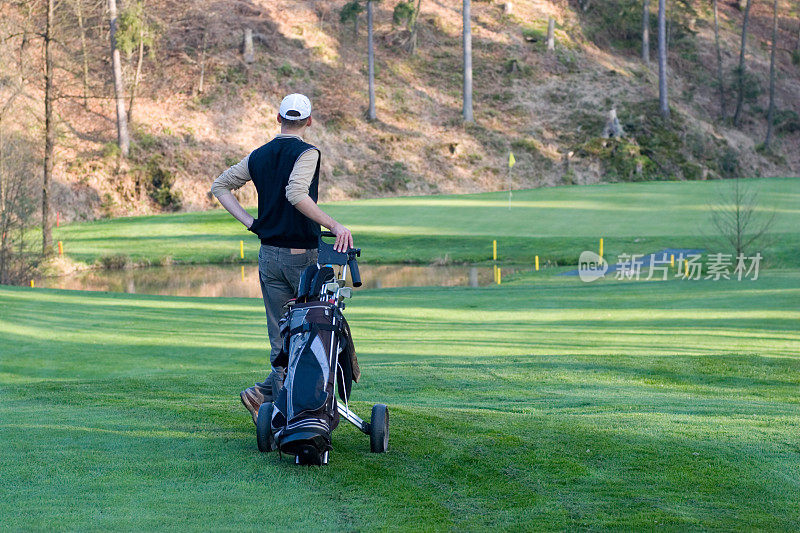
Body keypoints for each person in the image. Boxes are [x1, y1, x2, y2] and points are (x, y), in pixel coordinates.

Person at [210, 93, 353, 424]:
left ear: (278, 118)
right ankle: (305, 415)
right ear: (309, 121)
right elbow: (296, 193)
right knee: (315, 334)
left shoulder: (258, 156)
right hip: (302, 258)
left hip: (268, 256)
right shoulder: (308, 152)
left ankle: (277, 412)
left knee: (281, 340)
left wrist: (253, 225)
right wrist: (334, 224)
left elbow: (220, 187)